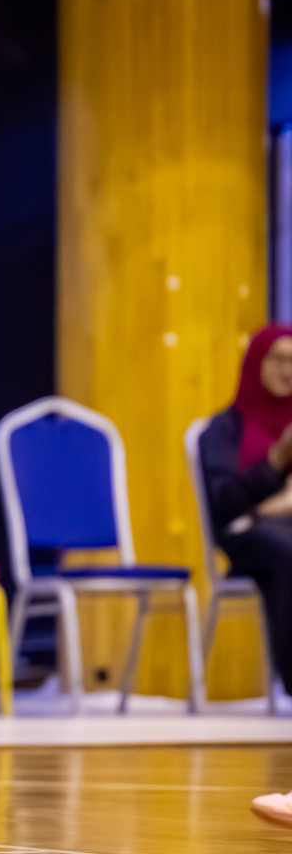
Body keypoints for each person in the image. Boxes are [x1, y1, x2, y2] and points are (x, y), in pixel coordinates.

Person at [198, 325, 292, 827]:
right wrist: (278, 461)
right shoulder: (224, 429)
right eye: (276, 358)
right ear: (255, 362)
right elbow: (225, 505)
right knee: (284, 551)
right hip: (247, 537)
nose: (286, 369)